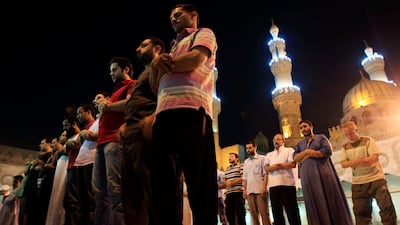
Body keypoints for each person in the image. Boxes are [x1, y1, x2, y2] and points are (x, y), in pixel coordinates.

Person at [149, 3, 218, 225]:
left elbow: (194, 60)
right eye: (171, 17)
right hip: (164, 116)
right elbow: (154, 85)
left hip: (191, 111)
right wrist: (156, 65)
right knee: (163, 183)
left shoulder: (203, 33)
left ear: (193, 15)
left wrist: (162, 65)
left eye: (178, 15)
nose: (173, 19)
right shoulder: (170, 49)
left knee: (199, 182)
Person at [120, 36, 165, 225]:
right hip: (131, 134)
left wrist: (155, 116)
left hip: (144, 132)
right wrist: (125, 125)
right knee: (131, 194)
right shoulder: (144, 74)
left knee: (151, 189)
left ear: (157, 48)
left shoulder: (161, 65)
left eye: (143, 45)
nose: (138, 49)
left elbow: (167, 92)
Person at [92, 56, 136, 225]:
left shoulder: (132, 84)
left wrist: (108, 106)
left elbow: (131, 104)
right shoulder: (113, 94)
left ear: (126, 70)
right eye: (110, 71)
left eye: (114, 69)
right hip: (101, 143)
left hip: (115, 140)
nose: (111, 73)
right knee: (99, 191)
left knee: (115, 187)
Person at [293, 119, 353, 225]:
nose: (303, 129)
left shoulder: (321, 138)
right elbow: (295, 158)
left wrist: (307, 153)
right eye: (301, 127)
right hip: (308, 178)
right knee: (314, 202)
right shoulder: (300, 144)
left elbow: (326, 151)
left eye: (305, 126)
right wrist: (310, 152)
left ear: (311, 127)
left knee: (328, 198)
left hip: (323, 174)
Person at [340, 121, 397, 225]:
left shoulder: (368, 140)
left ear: (356, 130)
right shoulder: (345, 147)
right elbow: (343, 164)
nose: (349, 136)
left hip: (376, 179)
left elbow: (374, 157)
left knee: (386, 208)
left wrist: (354, 162)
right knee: (361, 214)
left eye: (351, 133)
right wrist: (358, 161)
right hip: (358, 183)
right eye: (346, 134)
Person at [264, 134, 301, 225]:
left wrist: (276, 166)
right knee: (277, 214)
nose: (276, 141)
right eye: (274, 140)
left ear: (283, 141)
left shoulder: (289, 150)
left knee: (292, 213)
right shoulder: (269, 155)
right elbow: (266, 169)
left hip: (287, 185)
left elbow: (292, 164)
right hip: (273, 186)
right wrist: (280, 165)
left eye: (278, 139)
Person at [243, 141, 271, 225]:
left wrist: (264, 187)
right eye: (247, 148)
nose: (248, 150)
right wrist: (244, 190)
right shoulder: (246, 162)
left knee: (264, 214)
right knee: (254, 215)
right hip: (249, 191)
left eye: (250, 148)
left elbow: (266, 174)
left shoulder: (262, 158)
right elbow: (245, 178)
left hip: (260, 191)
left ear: (255, 147)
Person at [224, 153, 246, 225]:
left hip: (238, 193)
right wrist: (226, 183)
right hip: (229, 194)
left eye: (231, 157)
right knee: (229, 214)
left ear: (237, 159)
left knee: (240, 214)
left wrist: (233, 182)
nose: (229, 158)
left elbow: (243, 177)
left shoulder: (241, 166)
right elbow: (224, 180)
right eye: (229, 157)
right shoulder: (227, 169)